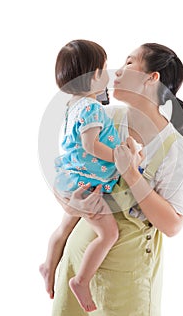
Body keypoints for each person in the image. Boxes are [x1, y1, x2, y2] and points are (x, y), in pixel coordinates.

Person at [49, 42, 183, 316]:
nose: (116, 72)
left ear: (152, 78)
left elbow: (173, 225)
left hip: (125, 282)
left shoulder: (175, 150)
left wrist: (130, 172)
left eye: (129, 63)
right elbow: (67, 169)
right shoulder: (104, 118)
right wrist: (67, 210)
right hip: (76, 264)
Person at [40, 39, 123, 312]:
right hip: (88, 185)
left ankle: (47, 265)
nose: (108, 75)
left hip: (73, 178)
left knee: (64, 228)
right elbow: (91, 146)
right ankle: (82, 280)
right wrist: (119, 156)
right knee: (108, 234)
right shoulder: (91, 108)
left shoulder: (72, 106)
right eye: (105, 69)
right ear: (94, 76)